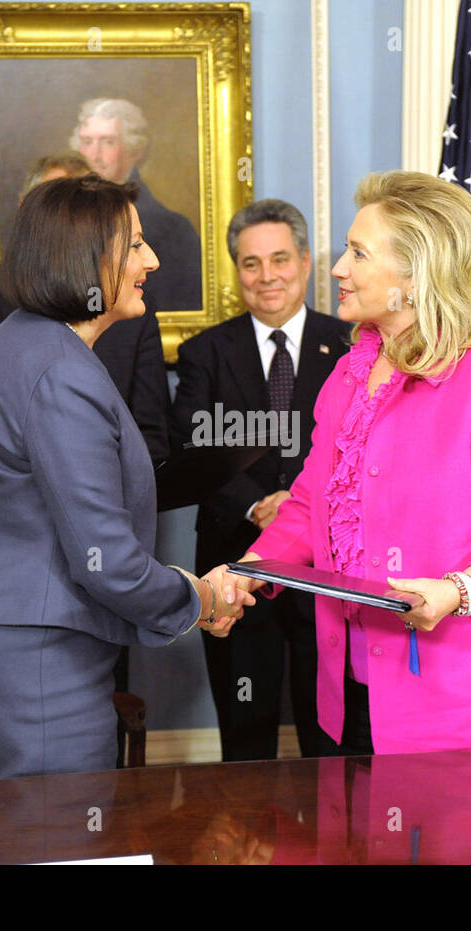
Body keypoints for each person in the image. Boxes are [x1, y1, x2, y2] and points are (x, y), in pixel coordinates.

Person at [212, 171, 471, 756]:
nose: (338, 269)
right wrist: (247, 571)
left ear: (416, 274)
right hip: (355, 692)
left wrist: (457, 590)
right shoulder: (349, 375)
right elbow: (312, 505)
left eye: (358, 253)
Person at [0, 175, 249, 781]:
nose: (151, 260)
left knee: (7, 839)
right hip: (37, 667)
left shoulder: (19, 340)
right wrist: (201, 598)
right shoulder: (60, 372)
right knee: (64, 840)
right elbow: (107, 561)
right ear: (85, 258)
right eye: (134, 246)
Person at [0, 151, 170, 547]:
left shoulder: (124, 312)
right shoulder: (24, 338)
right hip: (6, 539)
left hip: (102, 539)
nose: (150, 260)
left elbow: (150, 434)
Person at [171, 199, 348, 760]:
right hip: (237, 564)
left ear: (305, 262)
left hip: (329, 566)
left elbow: (359, 446)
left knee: (333, 734)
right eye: (251, 264)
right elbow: (193, 445)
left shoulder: (353, 345)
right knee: (246, 734)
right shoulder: (204, 353)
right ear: (237, 271)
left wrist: (298, 506)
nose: (267, 276)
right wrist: (258, 508)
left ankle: (337, 842)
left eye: (279, 259)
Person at [70, 98, 202, 312]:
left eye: (108, 142)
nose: (94, 155)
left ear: (136, 150)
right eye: (87, 142)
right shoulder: (66, 220)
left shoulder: (173, 229)